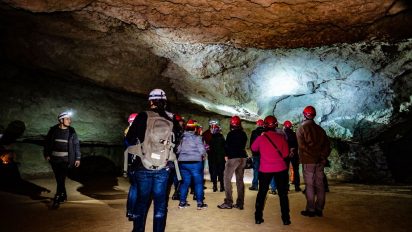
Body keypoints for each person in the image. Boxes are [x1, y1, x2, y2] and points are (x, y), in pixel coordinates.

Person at [125, 89, 177, 232]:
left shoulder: (143, 116)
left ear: (151, 101)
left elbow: (129, 138)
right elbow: (177, 142)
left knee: (142, 202)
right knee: (160, 204)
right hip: (163, 166)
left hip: (143, 164)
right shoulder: (171, 119)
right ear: (165, 101)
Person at [251, 115, 291, 225]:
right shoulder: (281, 137)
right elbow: (286, 154)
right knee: (283, 194)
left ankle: (258, 218)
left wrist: (261, 137)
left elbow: (254, 148)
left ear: (264, 125)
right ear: (276, 125)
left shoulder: (261, 137)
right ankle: (286, 219)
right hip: (281, 169)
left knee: (262, 193)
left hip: (265, 169)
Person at [297, 106, 331, 217]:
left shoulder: (301, 129)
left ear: (304, 114)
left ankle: (311, 209)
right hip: (320, 161)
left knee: (310, 185)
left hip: (309, 161)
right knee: (320, 185)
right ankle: (319, 209)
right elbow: (327, 146)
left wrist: (314, 156)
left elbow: (302, 146)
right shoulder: (321, 130)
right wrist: (322, 156)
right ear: (314, 115)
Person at [44, 111, 81, 209]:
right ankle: (63, 194)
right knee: (59, 178)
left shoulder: (72, 131)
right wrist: (47, 154)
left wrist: (77, 158)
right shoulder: (53, 130)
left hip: (65, 159)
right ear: (61, 120)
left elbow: (76, 145)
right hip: (54, 159)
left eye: (70, 119)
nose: (70, 121)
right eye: (67, 119)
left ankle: (57, 197)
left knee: (61, 178)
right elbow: (47, 142)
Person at [176, 119, 208, 210]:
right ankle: (199, 203)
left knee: (185, 183)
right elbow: (202, 150)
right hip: (195, 163)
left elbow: (178, 150)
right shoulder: (197, 138)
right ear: (195, 129)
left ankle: (182, 203)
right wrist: (204, 154)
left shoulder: (181, 137)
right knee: (198, 183)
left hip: (183, 163)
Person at [217, 116, 248, 210]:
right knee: (239, 180)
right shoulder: (243, 134)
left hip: (233, 159)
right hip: (243, 158)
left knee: (226, 179)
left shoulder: (231, 134)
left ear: (231, 124)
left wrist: (226, 155)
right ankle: (240, 203)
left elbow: (227, 146)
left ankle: (228, 202)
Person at [125, 113, 138, 220]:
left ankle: (130, 211)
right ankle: (133, 211)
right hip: (137, 163)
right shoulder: (135, 134)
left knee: (133, 187)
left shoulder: (127, 133)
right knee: (137, 188)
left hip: (130, 163)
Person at [283, 120, 302, 192]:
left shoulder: (283, 134)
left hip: (286, 154)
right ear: (291, 126)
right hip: (294, 154)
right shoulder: (295, 134)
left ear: (284, 126)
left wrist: (288, 150)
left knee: (285, 171)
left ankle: (286, 187)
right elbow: (297, 145)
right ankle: (297, 187)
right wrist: (292, 150)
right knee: (296, 170)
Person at [208, 124, 226, 192]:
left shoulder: (211, 138)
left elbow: (210, 149)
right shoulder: (222, 138)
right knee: (221, 173)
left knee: (214, 173)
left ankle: (214, 187)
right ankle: (222, 187)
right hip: (220, 158)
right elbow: (225, 147)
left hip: (213, 158)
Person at [249, 119, 265, 191]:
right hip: (264, 154)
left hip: (256, 154)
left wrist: (252, 152)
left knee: (256, 170)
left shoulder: (254, 132)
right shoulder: (266, 132)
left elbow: (251, 144)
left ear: (257, 124)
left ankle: (255, 185)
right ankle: (266, 185)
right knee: (265, 170)